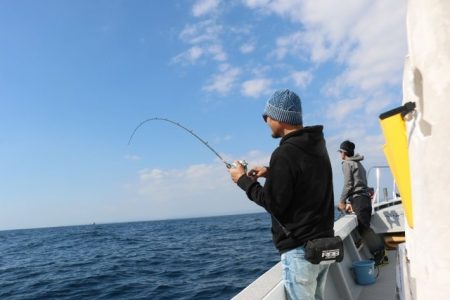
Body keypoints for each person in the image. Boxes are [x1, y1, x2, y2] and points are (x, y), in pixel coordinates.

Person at [228, 89, 335, 300]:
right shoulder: (315, 145)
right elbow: (305, 179)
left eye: (267, 115)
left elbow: (274, 203)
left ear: (280, 118)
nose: (266, 120)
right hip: (323, 244)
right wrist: (271, 172)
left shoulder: (285, 153)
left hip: (301, 251)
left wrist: (242, 180)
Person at [338, 140, 386, 265]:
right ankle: (381, 253)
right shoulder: (359, 164)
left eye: (340, 152)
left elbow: (348, 184)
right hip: (364, 199)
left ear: (344, 153)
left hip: (359, 200)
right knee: (365, 227)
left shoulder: (347, 164)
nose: (340, 154)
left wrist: (342, 201)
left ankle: (380, 254)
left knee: (364, 228)